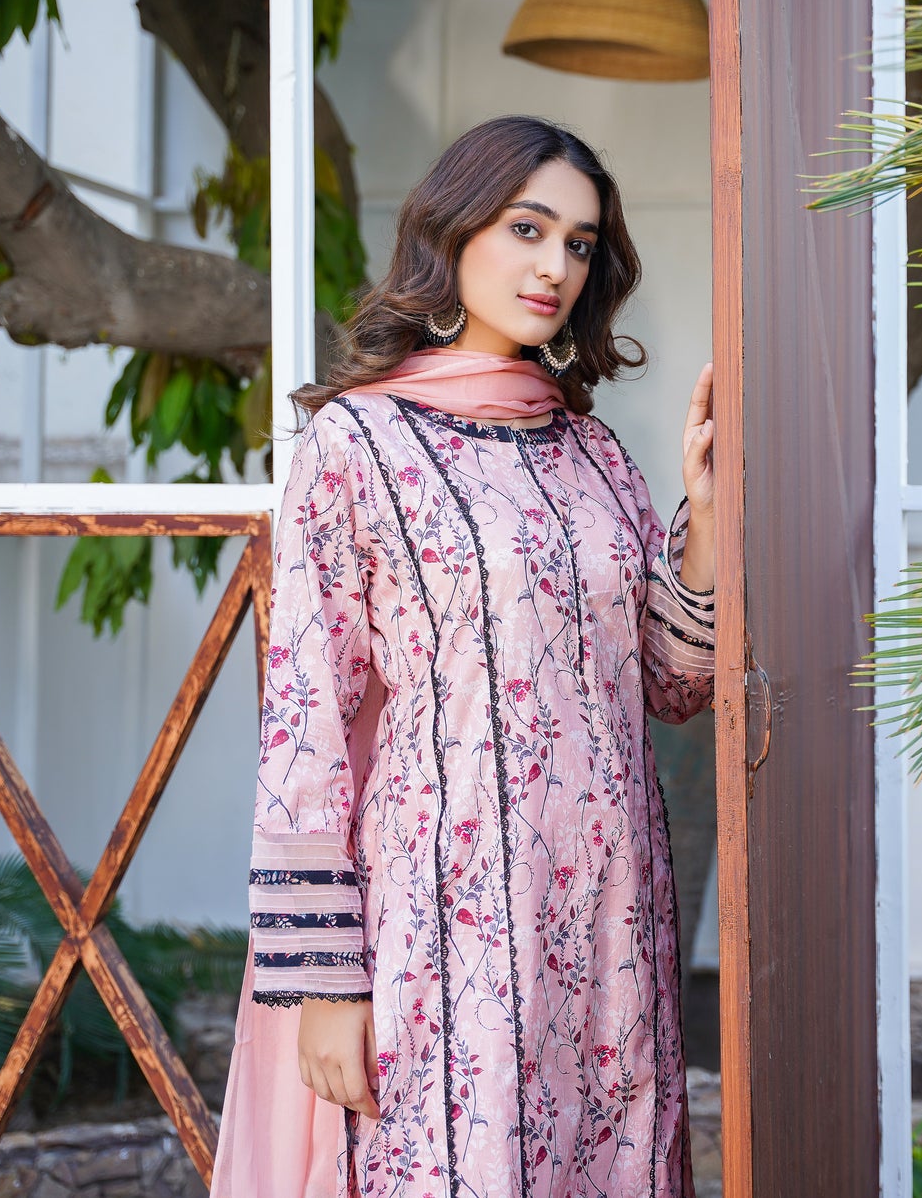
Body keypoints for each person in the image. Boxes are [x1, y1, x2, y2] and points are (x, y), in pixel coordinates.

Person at [210, 114, 718, 1198]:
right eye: (527, 228)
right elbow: (304, 726)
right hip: (444, 930)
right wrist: (326, 985)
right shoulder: (357, 442)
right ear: (454, 231)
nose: (554, 266)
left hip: (609, 931)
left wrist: (708, 521)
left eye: (579, 243)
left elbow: (672, 682)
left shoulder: (592, 452)